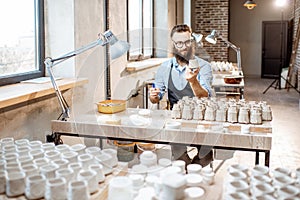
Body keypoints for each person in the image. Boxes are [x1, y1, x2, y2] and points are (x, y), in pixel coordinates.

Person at [149, 24, 213, 167]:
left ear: (192, 41)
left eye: (187, 41)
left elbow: (205, 97)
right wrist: (153, 95)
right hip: (176, 121)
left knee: (205, 157)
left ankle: (193, 173)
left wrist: (193, 81)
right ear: (173, 44)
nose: (183, 46)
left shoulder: (204, 66)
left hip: (201, 120)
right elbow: (155, 99)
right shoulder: (165, 68)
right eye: (179, 43)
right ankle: (184, 175)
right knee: (180, 159)